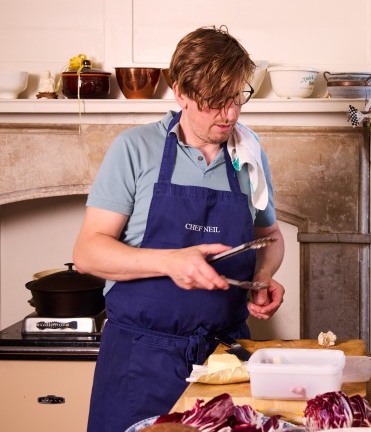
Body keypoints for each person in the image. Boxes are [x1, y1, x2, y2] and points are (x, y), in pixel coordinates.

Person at [73, 26, 285, 432]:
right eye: (215, 102)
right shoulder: (135, 148)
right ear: (181, 93)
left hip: (223, 362)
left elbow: (270, 235)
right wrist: (171, 262)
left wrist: (262, 275)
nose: (231, 114)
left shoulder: (248, 151)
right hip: (140, 362)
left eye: (237, 97)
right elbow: (88, 252)